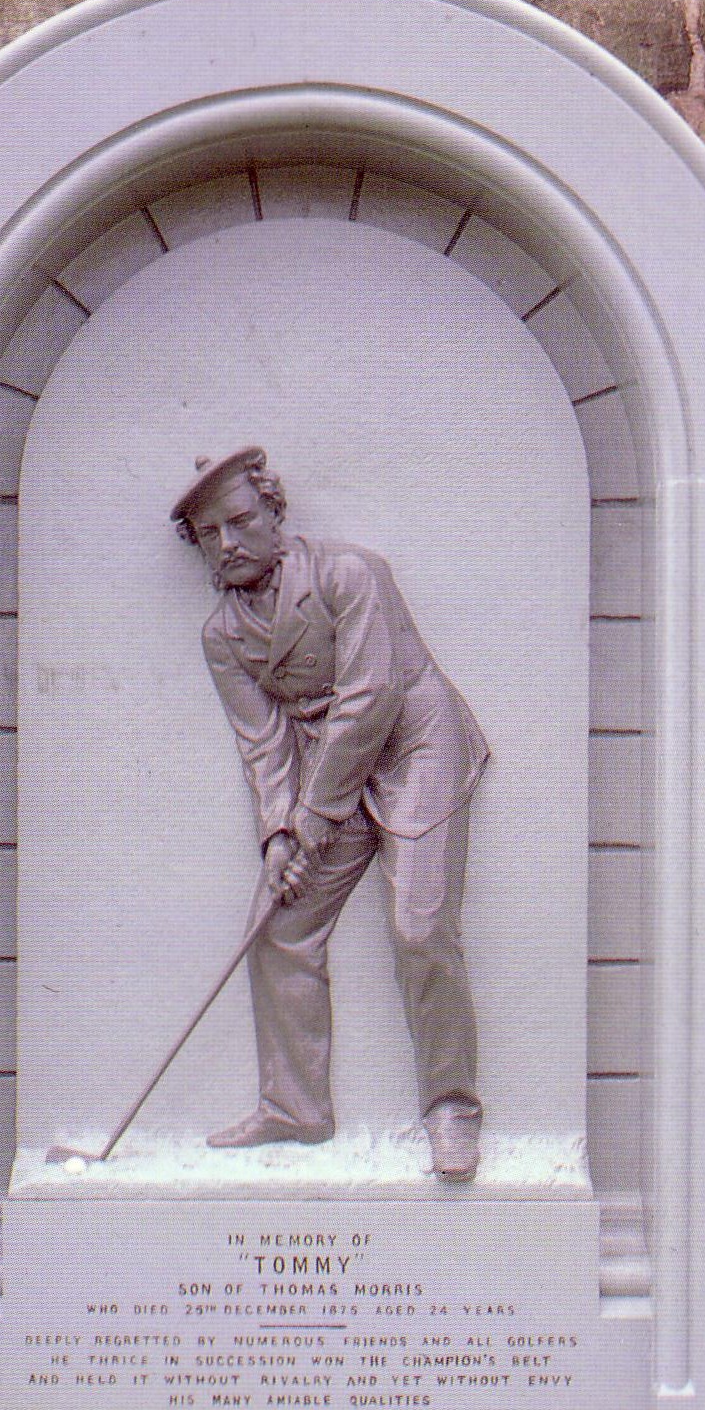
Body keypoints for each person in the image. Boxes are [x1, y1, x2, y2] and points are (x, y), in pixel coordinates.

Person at [171, 447, 489, 1180]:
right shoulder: (222, 637)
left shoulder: (350, 572)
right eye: (210, 533)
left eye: (241, 520)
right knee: (275, 924)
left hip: (416, 748)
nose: (228, 542)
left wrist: (314, 818)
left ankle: (450, 1107)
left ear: (274, 512)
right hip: (326, 776)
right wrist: (281, 833)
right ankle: (296, 1109)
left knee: (419, 924)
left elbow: (369, 698)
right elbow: (264, 745)